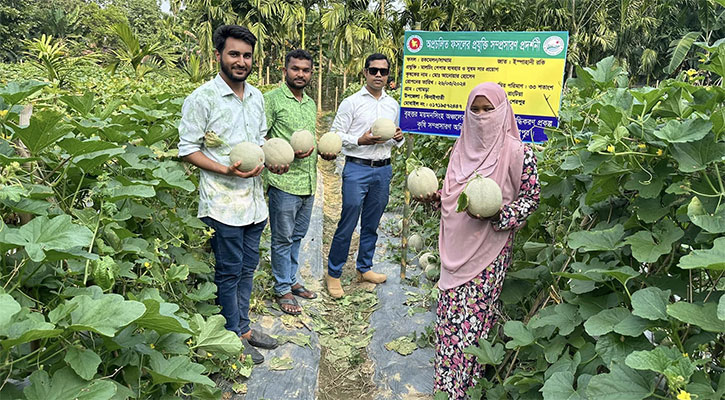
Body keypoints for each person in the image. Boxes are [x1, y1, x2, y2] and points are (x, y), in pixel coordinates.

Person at [413, 83, 540, 398]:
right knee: (448, 324)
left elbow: (530, 200)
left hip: (488, 251)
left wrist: (497, 215)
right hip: (453, 249)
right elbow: (455, 199)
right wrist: (436, 199)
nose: (482, 116)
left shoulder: (518, 152)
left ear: (503, 111)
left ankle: (465, 392)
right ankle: (445, 390)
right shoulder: (460, 147)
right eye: (476, 109)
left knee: (471, 327)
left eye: (489, 109)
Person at [178, 24, 280, 365]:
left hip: (253, 202)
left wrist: (275, 159)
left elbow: (261, 142)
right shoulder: (202, 98)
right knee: (228, 271)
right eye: (234, 54)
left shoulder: (256, 97)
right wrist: (226, 170)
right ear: (218, 55)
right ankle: (231, 338)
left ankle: (245, 328)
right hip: (222, 202)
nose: (241, 61)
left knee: (248, 268)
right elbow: (187, 150)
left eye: (247, 55)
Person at [325, 53, 404, 299]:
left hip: (383, 169)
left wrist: (399, 139)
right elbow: (335, 135)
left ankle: (364, 268)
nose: (378, 75)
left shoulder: (393, 105)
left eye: (383, 71)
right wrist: (361, 139)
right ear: (365, 72)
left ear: (389, 75)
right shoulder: (351, 102)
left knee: (372, 223)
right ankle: (334, 274)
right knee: (348, 222)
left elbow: (396, 139)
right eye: (373, 70)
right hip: (357, 168)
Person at [264, 49, 336, 315]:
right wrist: (282, 152)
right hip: (284, 182)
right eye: (295, 69)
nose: (300, 74)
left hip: (308, 181)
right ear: (284, 71)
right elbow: (260, 137)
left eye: (306, 70)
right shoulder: (271, 100)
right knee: (282, 237)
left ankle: (291, 280)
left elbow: (309, 141)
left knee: (297, 235)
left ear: (311, 73)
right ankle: (282, 288)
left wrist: (323, 151)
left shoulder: (308, 103)